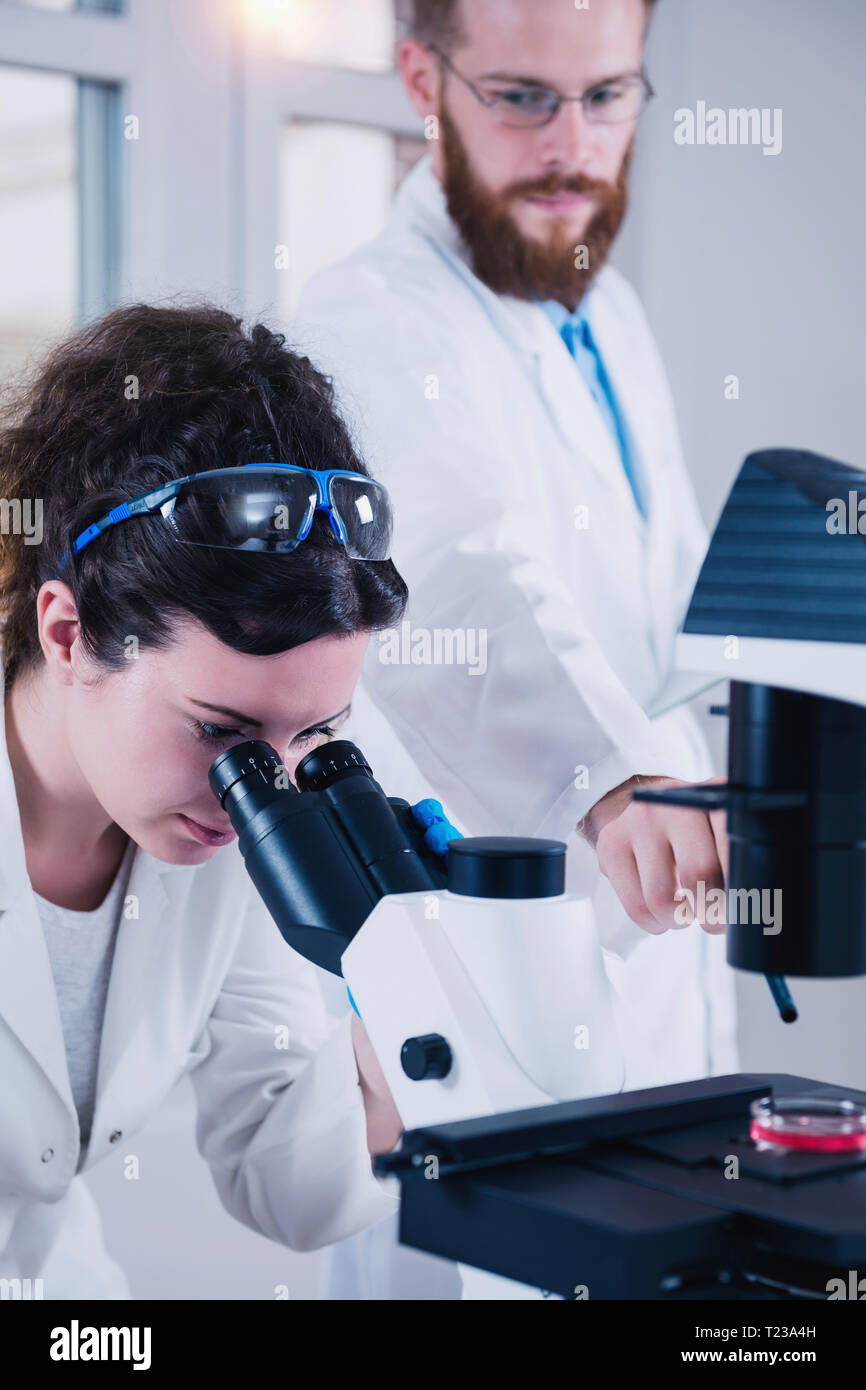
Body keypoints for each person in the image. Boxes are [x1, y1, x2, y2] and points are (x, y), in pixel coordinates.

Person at [292, 0, 738, 1298]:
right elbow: (459, 579)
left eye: (607, 97)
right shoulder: (366, 313)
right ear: (422, 79)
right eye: (523, 98)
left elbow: (666, 625)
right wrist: (608, 775)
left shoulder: (606, 318)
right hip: (497, 987)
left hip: (649, 963)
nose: (572, 147)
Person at [0, 302, 420, 1297]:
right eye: (220, 733)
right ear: (66, 634)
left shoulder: (210, 838)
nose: (254, 794)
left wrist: (413, 1002)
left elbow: (290, 1182)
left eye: (312, 738)